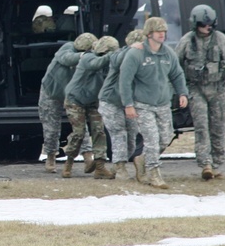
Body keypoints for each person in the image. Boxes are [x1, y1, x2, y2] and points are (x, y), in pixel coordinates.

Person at [176, 4, 225, 180]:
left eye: (210, 24)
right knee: (201, 127)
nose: (207, 28)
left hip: (218, 90)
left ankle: (216, 164)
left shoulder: (221, 40)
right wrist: (178, 92)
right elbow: (175, 68)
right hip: (196, 89)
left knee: (219, 128)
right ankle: (205, 164)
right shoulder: (186, 41)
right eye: (203, 24)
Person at [118, 17, 189, 189]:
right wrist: (128, 104)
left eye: (164, 31)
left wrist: (182, 93)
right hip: (143, 104)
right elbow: (125, 81)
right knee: (152, 139)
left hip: (163, 104)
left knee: (165, 138)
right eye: (159, 31)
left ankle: (142, 159)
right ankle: (154, 174)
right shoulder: (135, 54)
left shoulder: (168, 53)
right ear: (149, 34)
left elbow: (177, 74)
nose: (162, 35)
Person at [38, 32, 97, 173]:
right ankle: (51, 156)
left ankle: (88, 157)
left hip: (72, 95)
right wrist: (82, 57)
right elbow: (66, 59)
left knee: (80, 126)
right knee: (51, 128)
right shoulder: (67, 48)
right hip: (51, 93)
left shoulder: (91, 60)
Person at [62, 36, 120, 179]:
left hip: (93, 101)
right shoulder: (88, 58)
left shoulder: (109, 64)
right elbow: (96, 64)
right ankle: (68, 163)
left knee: (99, 131)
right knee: (79, 133)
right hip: (75, 100)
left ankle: (100, 167)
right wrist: (114, 55)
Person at [98, 29, 147, 181]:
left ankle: (117, 165)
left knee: (132, 135)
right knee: (119, 133)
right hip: (111, 101)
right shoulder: (119, 54)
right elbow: (118, 60)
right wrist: (133, 50)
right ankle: (120, 168)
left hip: (128, 103)